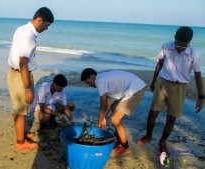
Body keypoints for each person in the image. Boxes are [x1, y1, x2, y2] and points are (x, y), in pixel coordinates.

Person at [136, 26, 203, 154]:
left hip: (180, 87)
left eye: (184, 45)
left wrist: (201, 96)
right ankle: (148, 135)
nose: (180, 47)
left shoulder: (194, 52)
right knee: (152, 113)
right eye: (178, 43)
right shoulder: (166, 46)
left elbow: (198, 74)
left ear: (189, 41)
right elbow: (159, 64)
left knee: (172, 118)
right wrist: (154, 81)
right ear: (175, 38)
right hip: (163, 83)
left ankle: (162, 142)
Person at [7, 7, 54, 150]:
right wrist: (27, 88)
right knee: (21, 111)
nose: (46, 29)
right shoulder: (29, 37)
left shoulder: (22, 29)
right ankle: (21, 143)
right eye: (46, 25)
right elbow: (22, 63)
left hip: (14, 73)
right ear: (39, 20)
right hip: (21, 75)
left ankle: (22, 134)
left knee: (19, 108)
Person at [81, 68, 146, 156]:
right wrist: (103, 119)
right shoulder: (103, 79)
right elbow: (107, 104)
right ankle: (118, 138)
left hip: (135, 90)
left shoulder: (99, 81)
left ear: (92, 77)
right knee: (114, 107)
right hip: (132, 88)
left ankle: (125, 148)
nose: (89, 85)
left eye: (88, 82)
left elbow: (102, 105)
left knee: (114, 119)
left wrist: (99, 124)